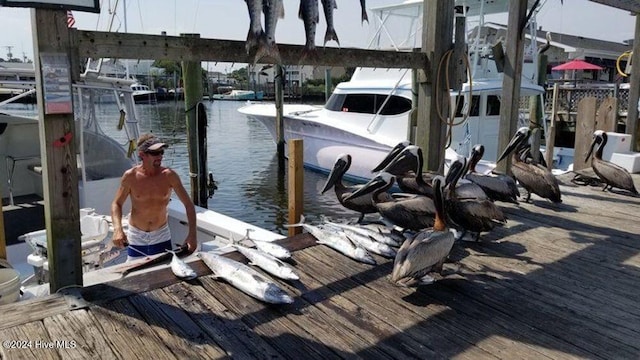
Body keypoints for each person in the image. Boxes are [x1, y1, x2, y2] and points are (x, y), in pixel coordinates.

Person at [111, 133, 197, 260]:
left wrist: (192, 235)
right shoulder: (130, 176)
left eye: (161, 152)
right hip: (136, 236)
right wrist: (117, 229)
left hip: (161, 235)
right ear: (142, 155)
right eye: (155, 153)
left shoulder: (169, 176)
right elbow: (116, 204)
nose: (160, 156)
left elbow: (188, 205)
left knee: (163, 273)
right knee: (135, 275)